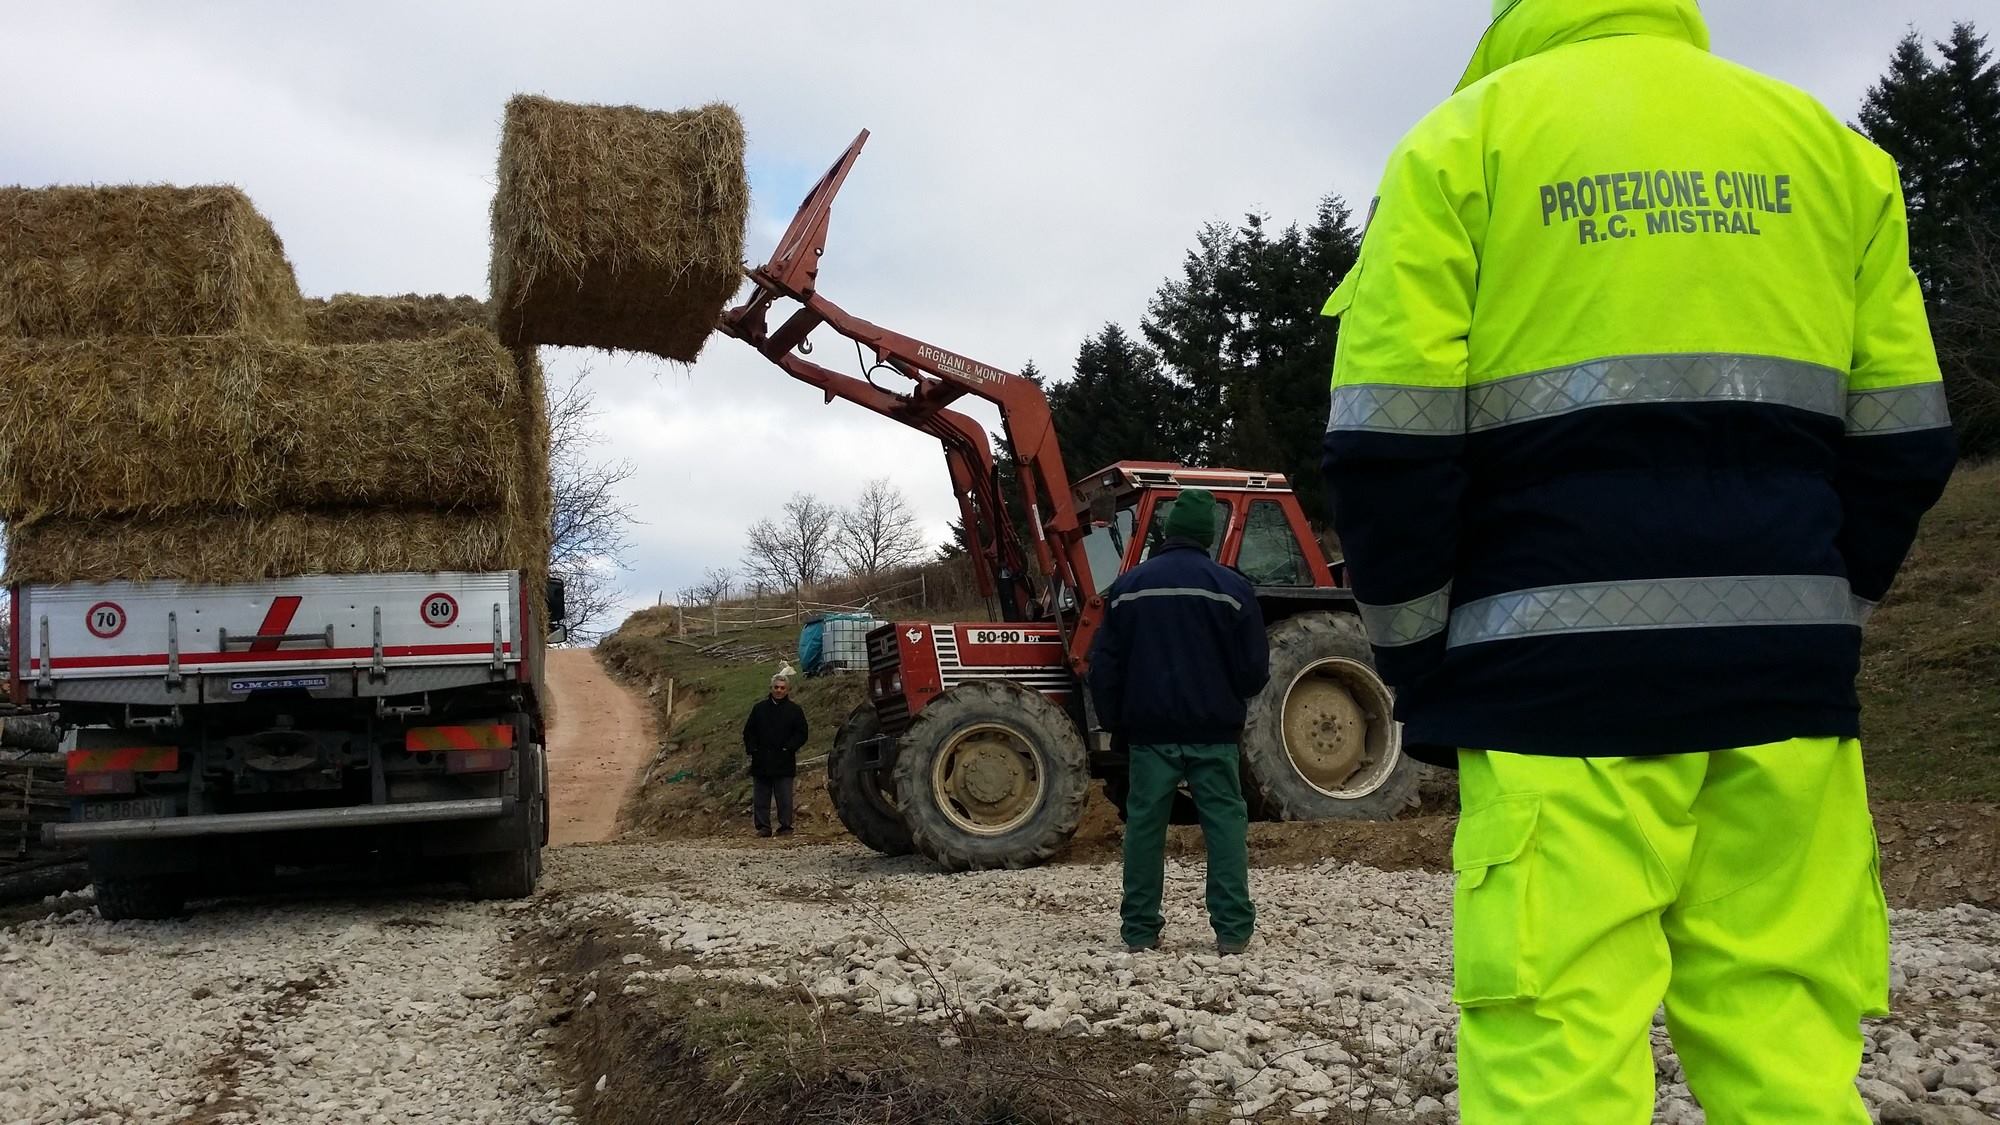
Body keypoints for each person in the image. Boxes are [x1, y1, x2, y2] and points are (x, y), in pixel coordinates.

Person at [1319, 2, 1957, 1121]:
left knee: (1554, 1048)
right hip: (1783, 690)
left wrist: (1420, 666)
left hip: (1548, 694)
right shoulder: (1831, 153)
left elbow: (1388, 442)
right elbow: (1904, 435)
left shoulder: (1463, 142)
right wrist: (1819, 608)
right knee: (1789, 1047)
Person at [1087, 489, 1270, 956]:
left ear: (1167, 532)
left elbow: (1103, 667)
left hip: (1150, 735)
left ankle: (1140, 931)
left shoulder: (1129, 587)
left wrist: (1117, 722)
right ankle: (1232, 932)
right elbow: (1254, 673)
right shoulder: (1232, 589)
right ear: (1209, 534)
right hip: (1214, 734)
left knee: (1145, 828)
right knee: (1225, 826)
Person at [742, 669, 807, 837]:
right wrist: (753, 749)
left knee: (784, 798)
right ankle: (763, 827)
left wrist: (789, 748)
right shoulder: (759, 709)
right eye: (776, 687)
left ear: (787, 690)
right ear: (771, 688)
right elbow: (748, 731)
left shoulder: (795, 710)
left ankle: (785, 827)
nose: (779, 690)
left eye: (782, 688)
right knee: (761, 798)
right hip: (761, 760)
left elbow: (802, 733)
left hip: (784, 760)